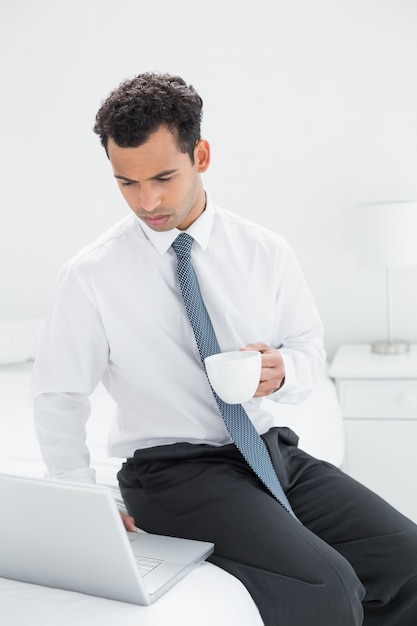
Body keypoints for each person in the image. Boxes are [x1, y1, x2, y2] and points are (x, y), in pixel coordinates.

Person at [31, 72, 417, 626]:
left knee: (407, 559)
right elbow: (59, 394)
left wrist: (281, 372)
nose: (149, 200)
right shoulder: (91, 275)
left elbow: (308, 347)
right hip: (172, 473)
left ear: (202, 155)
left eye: (163, 176)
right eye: (127, 183)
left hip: (268, 451)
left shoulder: (265, 251)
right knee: (325, 587)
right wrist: (77, 501)